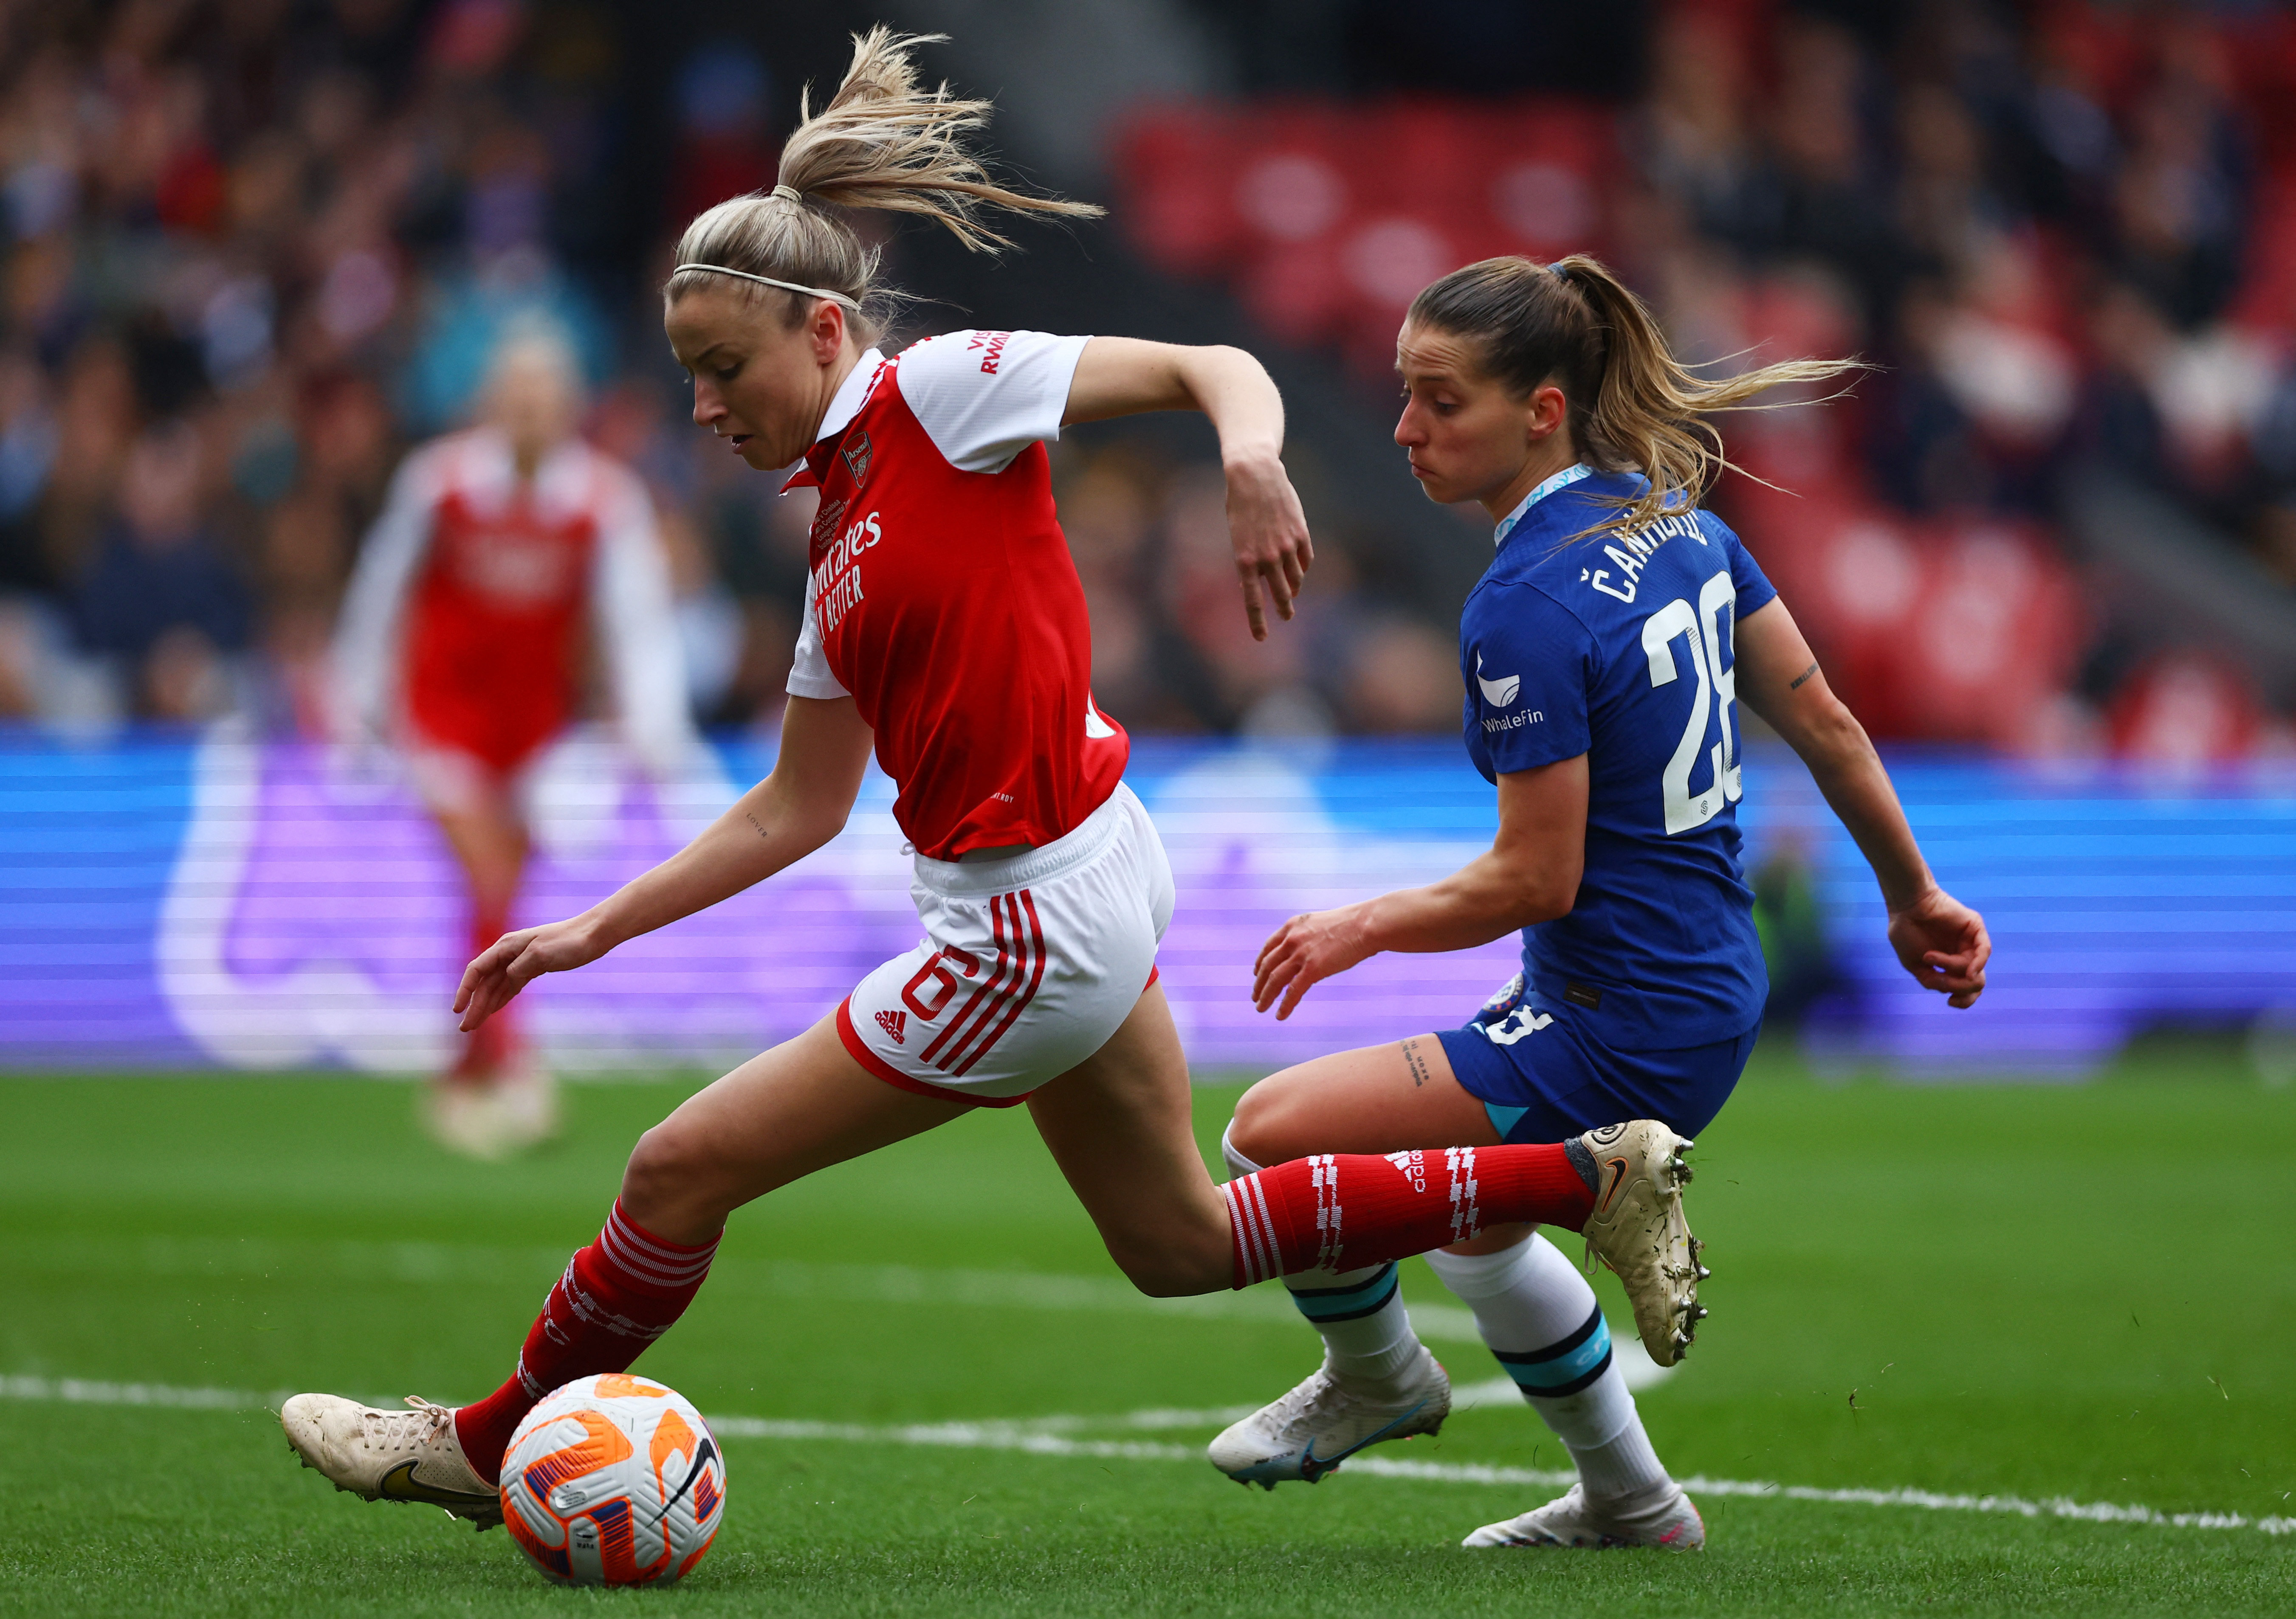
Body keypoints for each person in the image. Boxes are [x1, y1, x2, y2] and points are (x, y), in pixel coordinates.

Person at [278, 31, 1709, 1530]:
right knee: (1173, 1241)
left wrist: (1247, 457)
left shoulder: (942, 395)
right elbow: (796, 805)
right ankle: (1554, 1204)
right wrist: (595, 930)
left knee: (673, 1167)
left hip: (1026, 919)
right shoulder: (831, 543)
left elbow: (1210, 361)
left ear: (824, 332)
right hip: (1078, 874)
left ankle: (483, 1441)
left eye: (723, 366)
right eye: (687, 374)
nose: (702, 406)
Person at [1203, 253, 1993, 1551]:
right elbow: (1828, 723)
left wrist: (1362, 922)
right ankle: (1629, 1498)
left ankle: (1378, 1375)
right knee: (1464, 1220)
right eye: (1402, 395)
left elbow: (1534, 875)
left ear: (1543, 408)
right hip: (1699, 982)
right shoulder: (1678, 520)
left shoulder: (1520, 601)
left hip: (1618, 1015)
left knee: (1265, 1135)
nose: (1403, 428)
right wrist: (1913, 893)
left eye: (1438, 400)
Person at [332, 327, 694, 1158]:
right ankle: (516, 1063)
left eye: (546, 393)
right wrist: (361, 711)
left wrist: (656, 733)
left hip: (536, 733)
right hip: (444, 716)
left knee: (502, 899)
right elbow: (381, 592)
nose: (531, 409)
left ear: (570, 405)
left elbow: (635, 622)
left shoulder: (604, 500)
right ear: (493, 401)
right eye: (517, 392)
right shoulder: (440, 484)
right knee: (489, 879)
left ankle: (460, 1078)